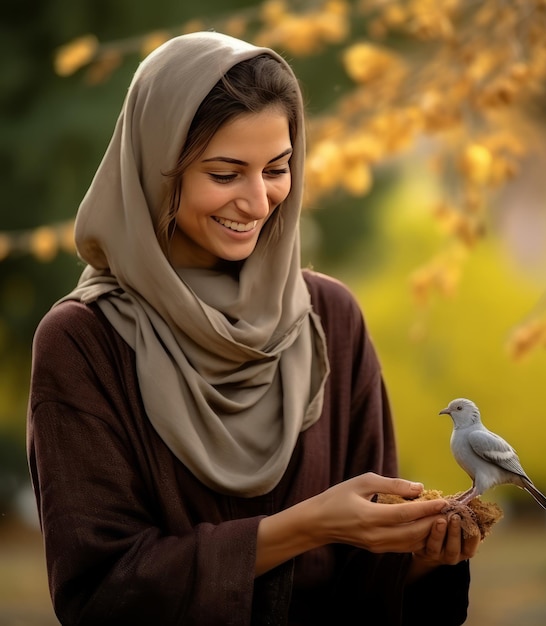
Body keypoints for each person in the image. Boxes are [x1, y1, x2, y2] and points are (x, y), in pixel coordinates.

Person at [27, 31, 480, 626]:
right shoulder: (83, 342)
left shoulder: (330, 319)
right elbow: (102, 596)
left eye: (277, 169)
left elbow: (367, 587)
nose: (259, 202)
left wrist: (422, 557)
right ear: (159, 170)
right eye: (225, 173)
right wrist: (303, 527)